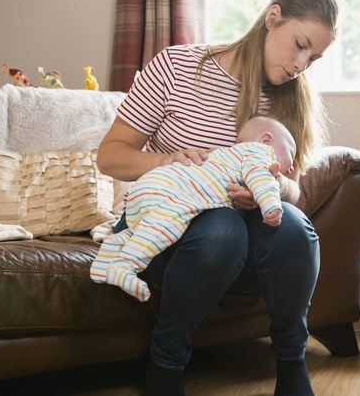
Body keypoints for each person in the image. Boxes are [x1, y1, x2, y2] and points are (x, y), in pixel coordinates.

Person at [96, 0, 338, 396]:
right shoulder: (176, 66)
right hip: (168, 231)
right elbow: (109, 156)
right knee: (222, 226)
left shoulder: (290, 99)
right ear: (272, 17)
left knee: (295, 227)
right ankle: (166, 363)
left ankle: (292, 366)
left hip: (247, 247)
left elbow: (294, 191)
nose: (301, 64)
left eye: (312, 58)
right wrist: (165, 160)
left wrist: (275, 187)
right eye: (299, 45)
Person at [90, 116, 296, 302]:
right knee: (168, 223)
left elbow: (291, 187)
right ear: (266, 140)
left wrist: (281, 186)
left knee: (138, 228)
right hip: (172, 193)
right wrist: (270, 204)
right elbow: (261, 178)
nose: (293, 167)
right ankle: (124, 267)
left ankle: (105, 261)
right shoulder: (260, 152)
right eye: (290, 153)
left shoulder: (223, 155)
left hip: (146, 188)